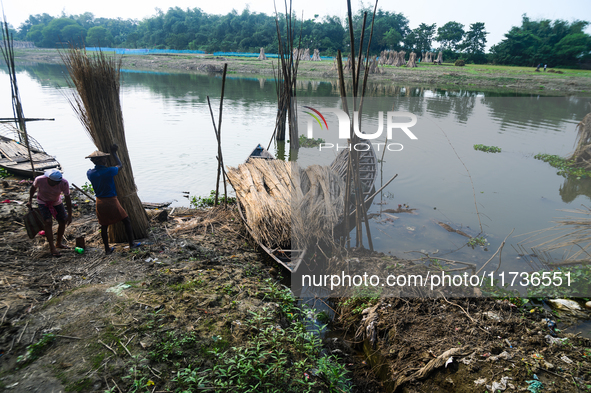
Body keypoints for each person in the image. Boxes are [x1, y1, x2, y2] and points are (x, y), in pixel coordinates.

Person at [86, 144, 138, 254]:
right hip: (111, 200)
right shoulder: (109, 171)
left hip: (99, 202)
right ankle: (132, 244)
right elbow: (120, 165)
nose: (106, 159)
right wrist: (114, 153)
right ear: (100, 160)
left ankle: (107, 249)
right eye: (104, 158)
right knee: (126, 220)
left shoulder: (90, 173)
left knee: (104, 225)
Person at [27, 169, 72, 257]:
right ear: (48, 179)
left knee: (63, 221)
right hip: (43, 202)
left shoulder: (64, 183)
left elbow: (67, 198)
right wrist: (30, 200)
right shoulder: (40, 180)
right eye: (54, 182)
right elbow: (33, 188)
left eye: (57, 182)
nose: (55, 184)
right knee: (48, 222)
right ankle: (52, 247)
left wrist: (69, 215)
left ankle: (58, 243)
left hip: (56, 202)